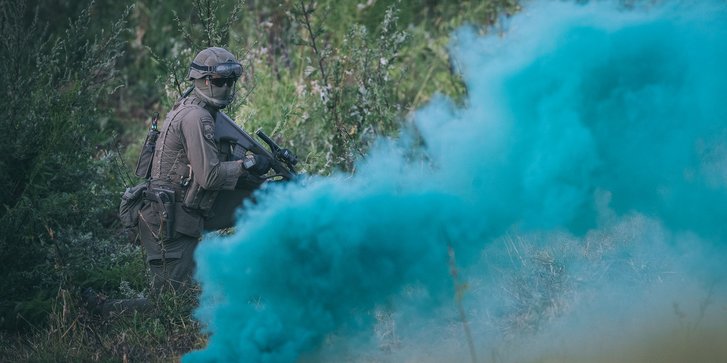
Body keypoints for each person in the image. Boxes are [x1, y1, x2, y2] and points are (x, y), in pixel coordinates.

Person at [84, 47, 270, 316]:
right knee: (171, 306)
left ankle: (262, 279)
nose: (227, 86)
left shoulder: (197, 109)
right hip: (168, 222)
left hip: (190, 207)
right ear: (204, 81)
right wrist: (248, 164)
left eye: (231, 80)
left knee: (265, 198)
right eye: (220, 81)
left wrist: (254, 178)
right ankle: (103, 311)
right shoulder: (197, 117)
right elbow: (209, 176)